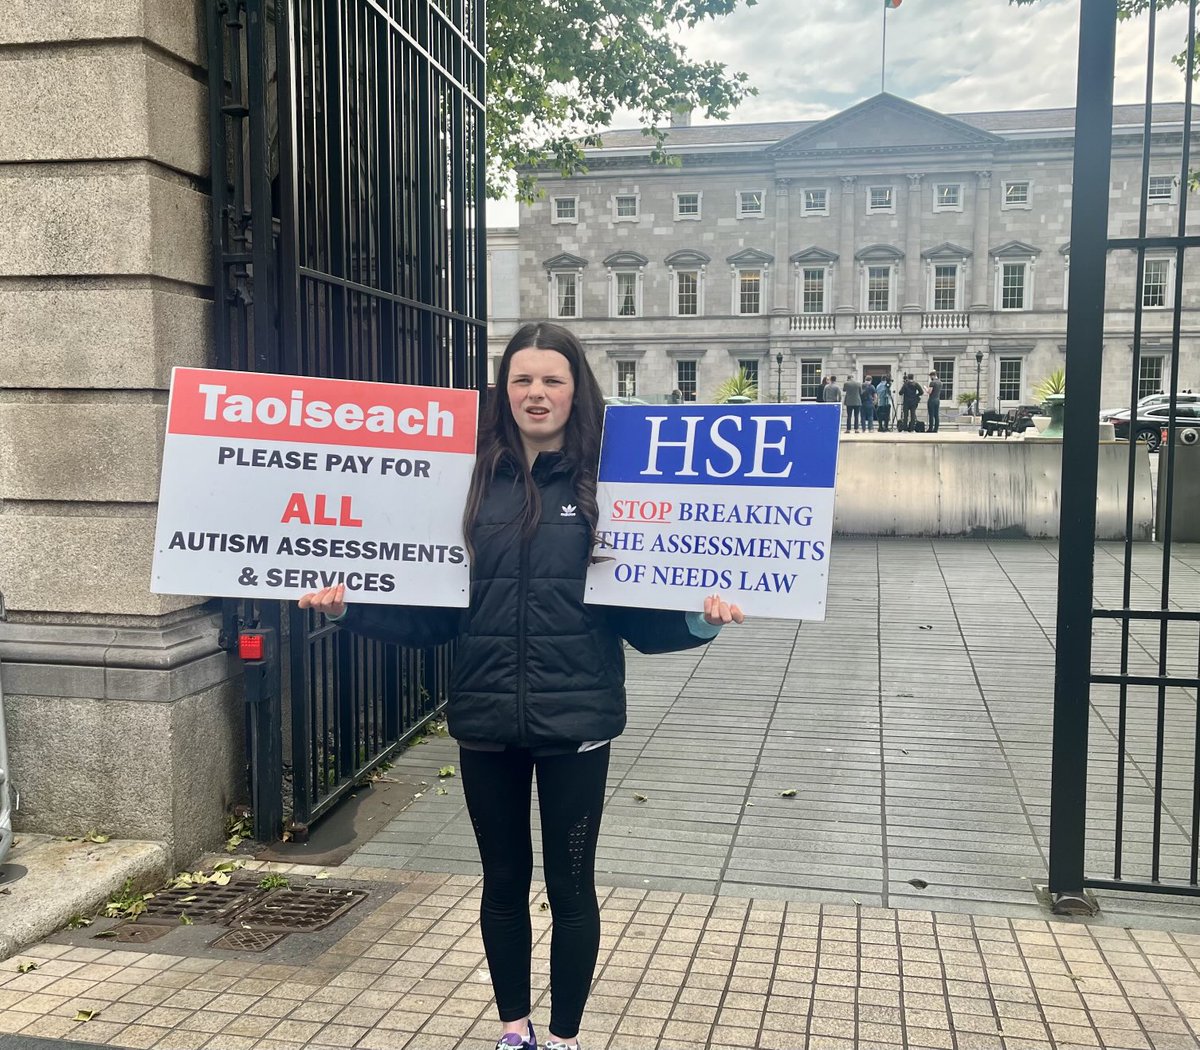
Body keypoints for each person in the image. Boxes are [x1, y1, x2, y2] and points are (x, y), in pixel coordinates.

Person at [298, 322, 745, 1050]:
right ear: (504, 392)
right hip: (486, 722)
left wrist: (702, 620)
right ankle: (515, 1032)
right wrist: (349, 608)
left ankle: (564, 1040)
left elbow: (640, 622)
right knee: (502, 885)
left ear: (577, 390)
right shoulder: (467, 481)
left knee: (571, 890)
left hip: (578, 724)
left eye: (553, 380)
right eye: (522, 380)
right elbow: (435, 621)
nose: (537, 393)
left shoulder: (609, 485)